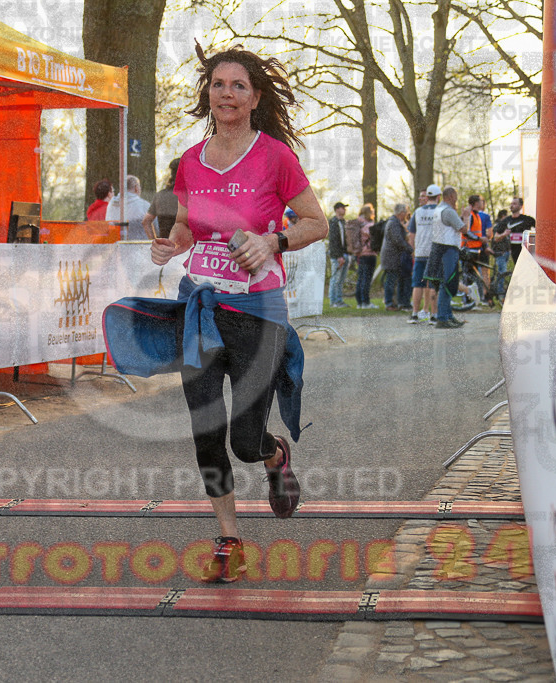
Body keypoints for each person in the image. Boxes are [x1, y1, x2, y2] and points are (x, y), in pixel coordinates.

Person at [104, 43, 327, 583]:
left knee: (244, 441)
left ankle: (275, 457)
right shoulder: (189, 161)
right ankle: (229, 538)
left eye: (239, 86)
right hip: (199, 308)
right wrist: (170, 245)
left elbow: (316, 223)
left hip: (258, 312)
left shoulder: (275, 157)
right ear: (209, 93)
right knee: (206, 430)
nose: (227, 93)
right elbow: (186, 227)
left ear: (254, 98)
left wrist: (273, 240)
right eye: (219, 84)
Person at [424, 185, 470, 329]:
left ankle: (448, 316)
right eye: (455, 197)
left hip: (438, 249)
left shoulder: (439, 209)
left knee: (446, 283)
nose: (456, 200)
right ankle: (443, 318)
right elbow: (463, 229)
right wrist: (467, 217)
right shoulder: (449, 211)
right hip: (448, 251)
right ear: (451, 197)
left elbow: (451, 225)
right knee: (448, 283)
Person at [408, 185, 441, 324]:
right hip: (434, 252)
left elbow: (411, 234)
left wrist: (414, 249)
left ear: (427, 197)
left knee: (417, 284)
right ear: (438, 197)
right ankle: (433, 316)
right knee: (433, 284)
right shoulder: (440, 211)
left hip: (420, 252)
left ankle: (415, 314)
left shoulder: (418, 212)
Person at [380, 203, 413, 311]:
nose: (406, 215)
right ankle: (389, 303)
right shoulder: (393, 224)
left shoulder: (394, 222)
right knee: (390, 281)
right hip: (391, 257)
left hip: (393, 257)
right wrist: (410, 249)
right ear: (401, 213)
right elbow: (398, 240)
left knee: (394, 280)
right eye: (406, 212)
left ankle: (396, 302)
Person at [143, 158, 181, 239]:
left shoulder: (160, 195)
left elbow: (146, 221)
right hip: (187, 247)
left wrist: (154, 241)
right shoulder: (192, 197)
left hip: (165, 245)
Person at [105, 175, 150, 240]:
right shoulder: (145, 205)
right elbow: (155, 229)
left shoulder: (111, 205)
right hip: (139, 246)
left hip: (116, 246)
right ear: (136, 188)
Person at [492, 196, 535, 264]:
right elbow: (496, 238)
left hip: (527, 252)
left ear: (520, 206)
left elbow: (540, 231)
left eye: (514, 204)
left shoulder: (527, 219)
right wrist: (504, 234)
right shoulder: (506, 221)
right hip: (514, 252)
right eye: (511, 204)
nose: (512, 205)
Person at [353, 203, 377, 309]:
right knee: (367, 279)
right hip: (369, 254)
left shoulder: (358, 223)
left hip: (360, 254)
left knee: (361, 279)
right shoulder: (370, 226)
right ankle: (366, 302)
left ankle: (359, 302)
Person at [327, 201, 350, 307]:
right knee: (335, 278)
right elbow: (334, 241)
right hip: (337, 256)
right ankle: (333, 301)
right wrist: (338, 256)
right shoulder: (333, 222)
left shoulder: (344, 222)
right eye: (342, 208)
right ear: (337, 209)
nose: (344, 210)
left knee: (341, 279)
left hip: (345, 254)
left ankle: (339, 300)